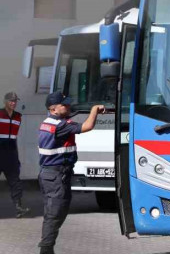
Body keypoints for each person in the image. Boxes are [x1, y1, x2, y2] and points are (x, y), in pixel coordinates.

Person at [38, 91, 105, 254]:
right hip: (55, 175)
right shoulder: (60, 125)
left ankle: (47, 247)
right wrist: (94, 110)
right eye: (64, 105)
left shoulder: (50, 122)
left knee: (55, 212)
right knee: (54, 214)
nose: (68, 106)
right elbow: (87, 126)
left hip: (51, 175)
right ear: (53, 109)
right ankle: (46, 250)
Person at [1, 92, 28, 218]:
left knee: (15, 182)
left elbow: (14, 137)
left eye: (15, 101)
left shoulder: (18, 117)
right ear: (5, 102)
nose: (13, 103)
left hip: (11, 154)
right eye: (11, 101)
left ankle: (19, 207)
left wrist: (16, 155)